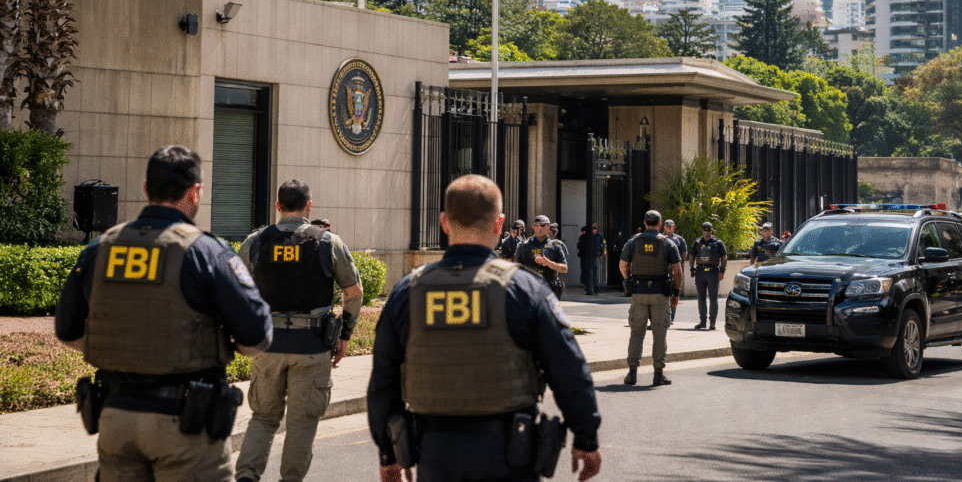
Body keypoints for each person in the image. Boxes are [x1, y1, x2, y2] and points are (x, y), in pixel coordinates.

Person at [54, 145, 274, 482]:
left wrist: (127, 350)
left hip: (115, 419)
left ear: (145, 188)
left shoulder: (102, 247)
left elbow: (68, 332)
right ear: (195, 192)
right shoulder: (206, 251)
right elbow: (258, 337)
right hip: (185, 424)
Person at [367, 175, 602, 482]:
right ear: (499, 224)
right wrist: (586, 439)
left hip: (434, 453)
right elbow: (569, 370)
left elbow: (383, 380)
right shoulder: (525, 288)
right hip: (509, 453)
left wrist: (389, 454)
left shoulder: (406, 292)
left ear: (444, 222)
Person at [235, 180, 363, 482]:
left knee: (264, 418)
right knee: (302, 424)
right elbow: (354, 292)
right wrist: (344, 335)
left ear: (278, 207)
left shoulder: (254, 242)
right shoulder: (328, 242)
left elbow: (235, 289)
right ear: (309, 206)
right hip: (312, 346)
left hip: (268, 346)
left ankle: (245, 477)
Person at [618, 210, 683, 386]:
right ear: (660, 223)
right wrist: (676, 293)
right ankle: (658, 374)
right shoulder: (669, 243)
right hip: (660, 294)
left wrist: (628, 280)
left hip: (638, 292)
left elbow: (623, 265)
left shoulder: (633, 242)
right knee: (660, 335)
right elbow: (677, 271)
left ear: (645, 223)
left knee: (636, 333)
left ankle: (632, 374)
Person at [687, 221, 729, 331]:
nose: (706, 232)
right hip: (700, 271)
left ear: (712, 230)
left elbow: (724, 257)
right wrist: (691, 268)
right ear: (702, 230)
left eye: (709, 230)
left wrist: (722, 271)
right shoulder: (697, 242)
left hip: (713, 272)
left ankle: (712, 322)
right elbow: (691, 255)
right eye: (705, 230)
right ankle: (703, 321)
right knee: (701, 299)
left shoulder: (718, 242)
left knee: (713, 299)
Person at [516, 214, 569, 299]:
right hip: (530, 290)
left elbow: (564, 269)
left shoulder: (556, 246)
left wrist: (548, 263)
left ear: (548, 227)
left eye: (543, 225)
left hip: (550, 290)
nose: (540, 228)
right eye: (537, 225)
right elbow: (516, 270)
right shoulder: (524, 246)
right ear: (533, 227)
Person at [662, 220, 687, 324]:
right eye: (666, 226)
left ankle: (672, 317)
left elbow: (684, 253)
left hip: (674, 271)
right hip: (663, 270)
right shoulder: (660, 238)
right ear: (664, 227)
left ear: (674, 227)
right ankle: (663, 315)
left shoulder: (679, 239)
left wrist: (679, 265)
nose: (668, 228)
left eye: (670, 226)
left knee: (674, 292)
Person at [577, 224, 605, 295]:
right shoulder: (584, 237)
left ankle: (594, 286)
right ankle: (589, 286)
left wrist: (601, 253)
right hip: (585, 256)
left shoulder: (598, 236)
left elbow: (602, 246)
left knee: (593, 271)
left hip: (593, 256)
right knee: (586, 270)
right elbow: (579, 246)